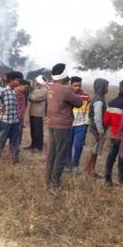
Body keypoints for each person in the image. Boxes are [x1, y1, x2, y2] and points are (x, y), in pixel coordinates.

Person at [45, 63, 83, 193]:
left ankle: (48, 181)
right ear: (63, 76)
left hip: (52, 123)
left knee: (52, 154)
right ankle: (55, 185)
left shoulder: (51, 87)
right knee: (61, 156)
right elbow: (79, 103)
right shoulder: (65, 89)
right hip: (62, 125)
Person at [103, 80, 123, 186]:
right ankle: (122, 182)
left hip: (114, 134)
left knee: (111, 156)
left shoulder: (111, 102)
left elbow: (106, 120)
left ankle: (107, 179)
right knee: (122, 159)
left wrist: (114, 125)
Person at [0, 71, 22, 163]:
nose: (18, 82)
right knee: (1, 140)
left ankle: (15, 160)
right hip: (5, 122)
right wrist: (0, 108)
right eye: (17, 80)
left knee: (15, 142)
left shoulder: (14, 91)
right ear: (11, 80)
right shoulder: (3, 91)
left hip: (15, 122)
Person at [84, 78, 109, 179]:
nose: (107, 88)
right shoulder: (99, 100)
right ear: (102, 87)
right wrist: (101, 130)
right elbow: (97, 117)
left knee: (95, 150)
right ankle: (86, 172)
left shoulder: (100, 98)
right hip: (96, 129)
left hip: (97, 128)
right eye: (106, 86)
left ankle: (92, 170)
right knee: (92, 150)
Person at [66, 76, 90, 173]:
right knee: (67, 145)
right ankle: (67, 164)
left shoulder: (86, 96)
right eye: (75, 86)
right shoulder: (66, 95)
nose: (77, 88)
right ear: (71, 85)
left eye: (79, 85)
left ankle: (76, 164)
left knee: (78, 145)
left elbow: (88, 111)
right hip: (68, 124)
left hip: (81, 124)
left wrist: (86, 124)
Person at [25, 75, 48, 152]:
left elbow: (33, 98)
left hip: (38, 113)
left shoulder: (45, 90)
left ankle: (39, 147)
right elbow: (30, 97)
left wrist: (31, 95)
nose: (36, 82)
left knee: (38, 131)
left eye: (37, 81)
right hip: (32, 112)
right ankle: (33, 145)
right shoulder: (37, 88)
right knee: (33, 130)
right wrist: (31, 95)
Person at [15, 79, 30, 151]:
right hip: (16, 117)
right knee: (16, 133)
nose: (25, 89)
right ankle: (14, 148)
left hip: (20, 117)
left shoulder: (22, 94)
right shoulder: (15, 93)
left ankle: (17, 147)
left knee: (19, 133)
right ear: (20, 85)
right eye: (25, 87)